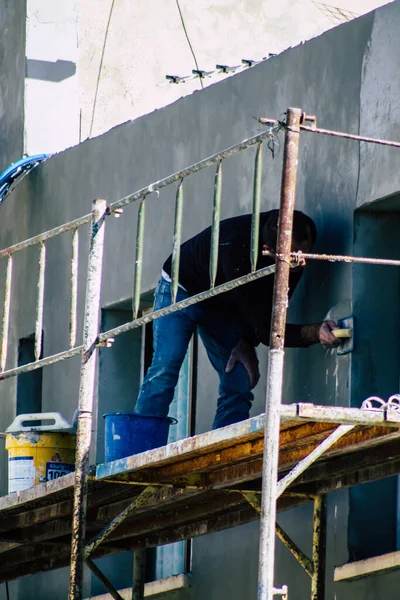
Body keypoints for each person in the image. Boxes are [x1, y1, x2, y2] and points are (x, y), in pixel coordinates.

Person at [135, 209, 341, 430]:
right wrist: (316, 332)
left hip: (225, 301)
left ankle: (220, 454)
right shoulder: (237, 247)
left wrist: (245, 342)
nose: (302, 265)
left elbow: (273, 312)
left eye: (305, 256)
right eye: (293, 261)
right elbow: (269, 330)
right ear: (267, 251)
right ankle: (140, 446)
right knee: (165, 369)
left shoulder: (292, 247)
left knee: (239, 381)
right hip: (181, 289)